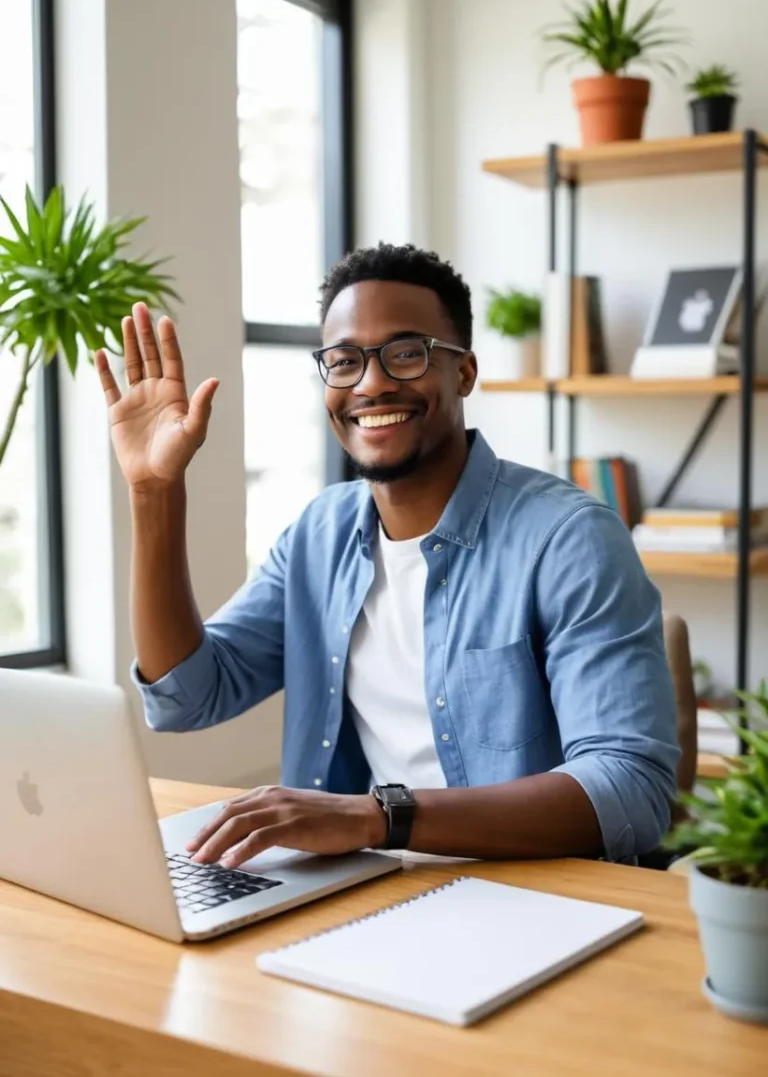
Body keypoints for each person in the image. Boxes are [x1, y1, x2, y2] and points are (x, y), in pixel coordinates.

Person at [96, 243, 679, 869]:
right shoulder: (319, 534)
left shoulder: (569, 538)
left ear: (464, 372)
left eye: (407, 354)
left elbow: (630, 790)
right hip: (365, 888)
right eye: (344, 361)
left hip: (534, 897)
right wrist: (153, 493)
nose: (372, 383)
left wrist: (377, 814)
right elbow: (187, 696)